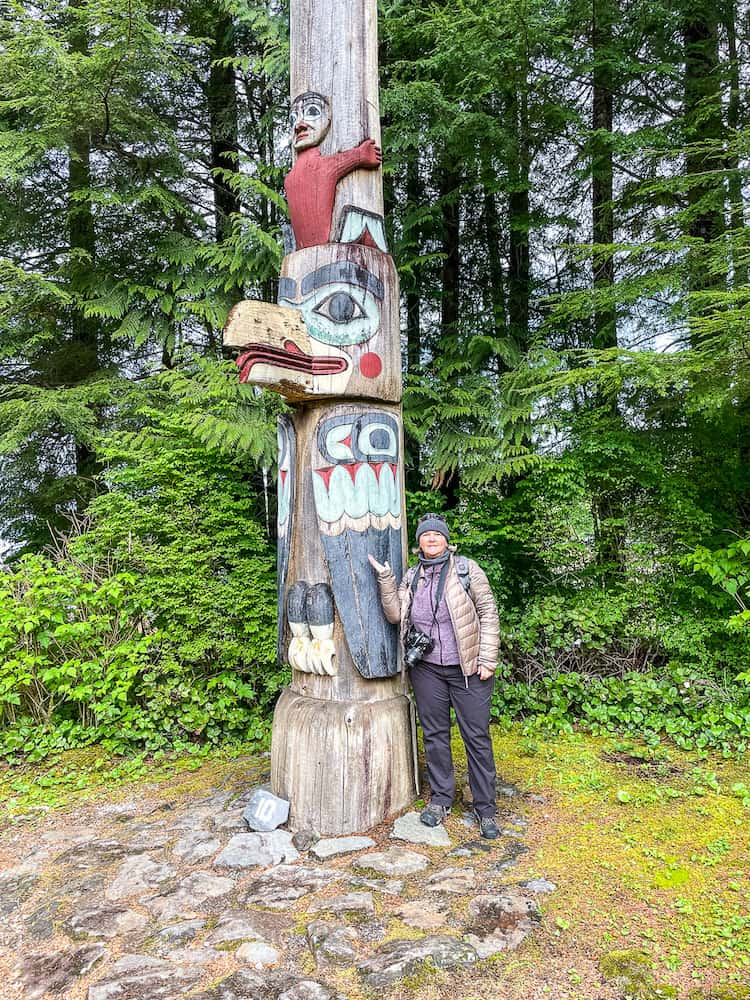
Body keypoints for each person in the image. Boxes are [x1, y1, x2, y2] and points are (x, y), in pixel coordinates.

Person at [368, 513, 501, 839]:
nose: (431, 539)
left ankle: (485, 808)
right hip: (427, 669)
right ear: (419, 542)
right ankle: (441, 799)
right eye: (425, 535)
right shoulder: (413, 576)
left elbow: (488, 612)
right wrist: (387, 579)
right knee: (435, 735)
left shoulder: (467, 570)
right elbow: (396, 614)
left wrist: (487, 657)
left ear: (446, 540)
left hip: (468, 668)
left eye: (436, 535)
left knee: (477, 737)